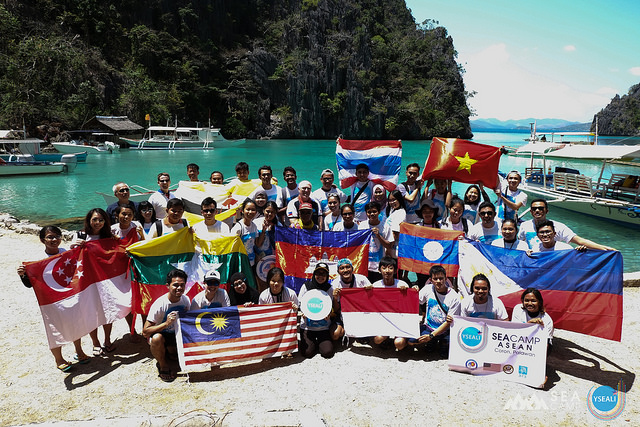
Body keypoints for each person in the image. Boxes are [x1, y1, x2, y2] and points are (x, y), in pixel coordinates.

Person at [17, 226, 91, 371]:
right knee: (55, 328)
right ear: (42, 240)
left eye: (57, 236)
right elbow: (29, 285)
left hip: (69, 296)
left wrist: (80, 248)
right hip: (50, 302)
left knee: (75, 322)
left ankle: (79, 351)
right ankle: (59, 359)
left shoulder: (66, 253)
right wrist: (23, 275)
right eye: (50, 237)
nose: (54, 240)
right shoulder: (36, 260)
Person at [72, 208, 118, 355]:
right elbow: (70, 257)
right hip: (87, 282)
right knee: (91, 312)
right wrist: (74, 246)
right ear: (89, 220)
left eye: (101, 220)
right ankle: (95, 342)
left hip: (105, 281)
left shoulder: (109, 237)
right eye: (95, 219)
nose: (98, 223)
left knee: (107, 311)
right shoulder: (80, 235)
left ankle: (107, 340)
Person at [143, 269, 190, 382]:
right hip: (163, 335)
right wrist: (166, 324)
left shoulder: (185, 300)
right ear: (167, 286)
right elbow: (145, 332)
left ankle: (172, 352)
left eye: (182, 285)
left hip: (176, 335)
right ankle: (163, 365)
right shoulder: (160, 304)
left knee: (175, 354)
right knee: (156, 338)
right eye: (175, 285)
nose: (179, 288)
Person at [518, 199, 616, 251]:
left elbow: (579, 240)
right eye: (534, 209)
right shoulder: (524, 226)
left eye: (541, 208)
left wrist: (604, 249)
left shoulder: (559, 226)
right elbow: (519, 245)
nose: (537, 211)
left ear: (546, 211)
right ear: (531, 212)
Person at [409, 265, 461, 355]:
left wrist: (431, 335)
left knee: (443, 353)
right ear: (431, 280)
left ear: (446, 278)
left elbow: (449, 322)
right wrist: (412, 291)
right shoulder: (428, 289)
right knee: (411, 341)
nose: (438, 281)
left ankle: (440, 342)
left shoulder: (454, 297)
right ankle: (432, 341)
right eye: (435, 279)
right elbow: (415, 302)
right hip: (429, 327)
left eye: (441, 278)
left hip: (445, 330)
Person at [371, 257, 413, 351]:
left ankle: (405, 341)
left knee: (399, 344)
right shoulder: (375, 286)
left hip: (399, 321)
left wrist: (408, 292)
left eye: (390, 268)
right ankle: (386, 340)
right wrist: (367, 291)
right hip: (384, 320)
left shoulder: (402, 285)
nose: (387, 271)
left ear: (395, 271)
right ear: (379, 270)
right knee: (377, 339)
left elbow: (409, 306)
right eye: (384, 268)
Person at [298, 262, 335, 358]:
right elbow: (300, 304)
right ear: (314, 274)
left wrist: (329, 313)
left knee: (327, 353)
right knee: (307, 353)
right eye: (318, 273)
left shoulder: (329, 289)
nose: (320, 276)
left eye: (323, 274)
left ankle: (320, 341)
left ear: (327, 276)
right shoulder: (306, 286)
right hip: (307, 327)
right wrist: (303, 312)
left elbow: (331, 307)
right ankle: (311, 341)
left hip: (323, 327)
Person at [359, 201, 393, 283]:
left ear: (379, 212)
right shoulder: (362, 226)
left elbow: (389, 245)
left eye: (374, 211)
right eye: (369, 212)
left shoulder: (385, 226)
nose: (372, 214)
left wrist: (378, 236)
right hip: (365, 266)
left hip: (379, 266)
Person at [231, 199, 260, 266]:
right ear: (243, 211)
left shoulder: (254, 226)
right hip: (240, 264)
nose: (250, 212)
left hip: (251, 263)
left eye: (253, 210)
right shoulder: (238, 228)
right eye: (248, 209)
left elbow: (254, 244)